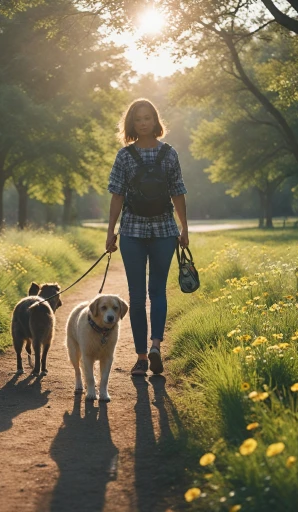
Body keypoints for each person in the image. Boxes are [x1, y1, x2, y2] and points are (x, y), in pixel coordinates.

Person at [105, 98, 188, 376]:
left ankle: (146, 353)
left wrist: (184, 228)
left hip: (146, 232)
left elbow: (177, 193)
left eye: (148, 118)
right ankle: (149, 350)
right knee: (144, 295)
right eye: (139, 119)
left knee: (144, 294)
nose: (143, 123)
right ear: (132, 122)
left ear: (156, 121)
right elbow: (117, 197)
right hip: (146, 232)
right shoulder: (160, 154)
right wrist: (110, 232)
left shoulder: (128, 156)